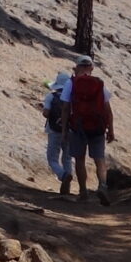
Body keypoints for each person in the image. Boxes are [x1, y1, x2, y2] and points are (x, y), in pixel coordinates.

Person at [63, 56, 113, 204]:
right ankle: (103, 186)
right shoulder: (99, 83)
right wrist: (111, 129)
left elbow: (66, 108)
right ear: (91, 67)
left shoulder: (70, 83)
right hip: (97, 126)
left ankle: (83, 191)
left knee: (79, 159)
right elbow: (107, 109)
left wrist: (64, 130)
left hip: (77, 126)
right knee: (100, 159)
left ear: (76, 67)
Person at [41, 61, 82, 193]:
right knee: (67, 158)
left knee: (52, 158)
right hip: (70, 130)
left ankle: (63, 175)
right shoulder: (73, 97)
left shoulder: (51, 96)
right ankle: (67, 185)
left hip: (54, 130)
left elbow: (46, 113)